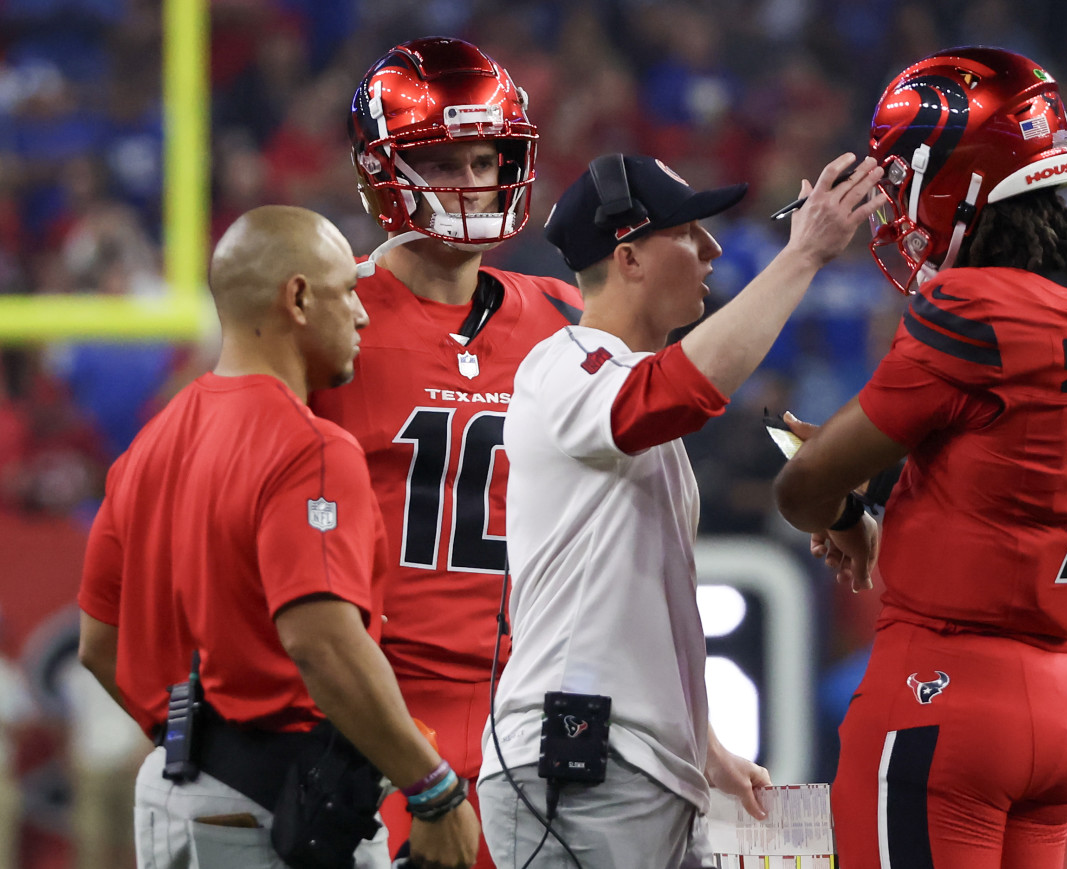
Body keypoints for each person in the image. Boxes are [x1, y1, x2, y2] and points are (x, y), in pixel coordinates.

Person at [772, 47, 1067, 869]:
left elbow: (801, 485)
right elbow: (1008, 439)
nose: (898, 203)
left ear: (962, 176)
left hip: (944, 690)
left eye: (906, 177)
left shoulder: (974, 309)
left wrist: (851, 512)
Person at [479, 151, 885, 868]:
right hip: (577, 760)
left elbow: (624, 612)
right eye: (689, 232)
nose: (713, 249)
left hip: (624, 761)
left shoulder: (614, 392)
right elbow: (680, 393)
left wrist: (703, 747)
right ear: (628, 257)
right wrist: (803, 257)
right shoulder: (565, 364)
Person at [77, 205, 480, 869]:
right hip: (273, 811)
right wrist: (433, 790)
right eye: (346, 291)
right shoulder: (310, 447)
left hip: (176, 795)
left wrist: (199, 744)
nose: (361, 314)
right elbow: (322, 646)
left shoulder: (150, 443)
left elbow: (100, 644)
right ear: (297, 297)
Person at [308, 36, 583, 867]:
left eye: (486, 157)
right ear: (381, 174)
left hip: (528, 705)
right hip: (377, 713)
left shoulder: (567, 317)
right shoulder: (326, 313)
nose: (474, 182)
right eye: (443, 163)